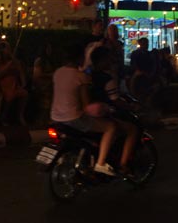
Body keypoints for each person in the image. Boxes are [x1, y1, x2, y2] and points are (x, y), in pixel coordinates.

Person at [51, 41, 118, 176]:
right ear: (79, 58)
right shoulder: (81, 77)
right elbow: (86, 104)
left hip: (55, 117)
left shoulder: (57, 73)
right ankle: (100, 163)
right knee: (110, 127)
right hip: (74, 118)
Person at [89, 44, 139, 175]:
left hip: (88, 112)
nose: (111, 61)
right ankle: (123, 165)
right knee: (132, 130)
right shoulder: (107, 79)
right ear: (102, 60)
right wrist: (130, 106)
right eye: (108, 59)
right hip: (104, 113)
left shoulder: (87, 75)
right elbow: (115, 100)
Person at [0, 40, 29, 126]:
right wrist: (9, 65)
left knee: (24, 94)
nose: (8, 51)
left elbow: (20, 72)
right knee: (9, 95)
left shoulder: (13, 61)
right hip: (3, 85)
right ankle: (3, 118)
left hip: (14, 84)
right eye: (6, 49)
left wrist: (22, 82)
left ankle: (20, 115)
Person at [31, 41, 56, 127]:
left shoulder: (49, 61)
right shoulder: (39, 61)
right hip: (43, 86)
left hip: (49, 85)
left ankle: (45, 121)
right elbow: (37, 75)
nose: (50, 50)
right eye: (48, 49)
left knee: (47, 105)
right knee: (43, 105)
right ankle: (40, 122)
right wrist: (51, 74)